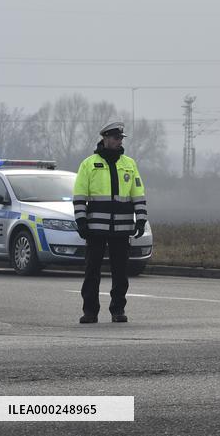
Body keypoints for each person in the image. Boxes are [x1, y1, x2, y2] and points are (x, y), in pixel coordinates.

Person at [73, 122, 147, 324]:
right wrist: (81, 221)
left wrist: (141, 219)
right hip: (96, 228)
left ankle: (118, 310)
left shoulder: (129, 164)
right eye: (115, 138)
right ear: (105, 138)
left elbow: (138, 195)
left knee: (120, 273)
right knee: (92, 271)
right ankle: (90, 312)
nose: (119, 141)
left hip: (122, 228)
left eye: (121, 138)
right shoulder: (89, 164)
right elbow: (79, 195)